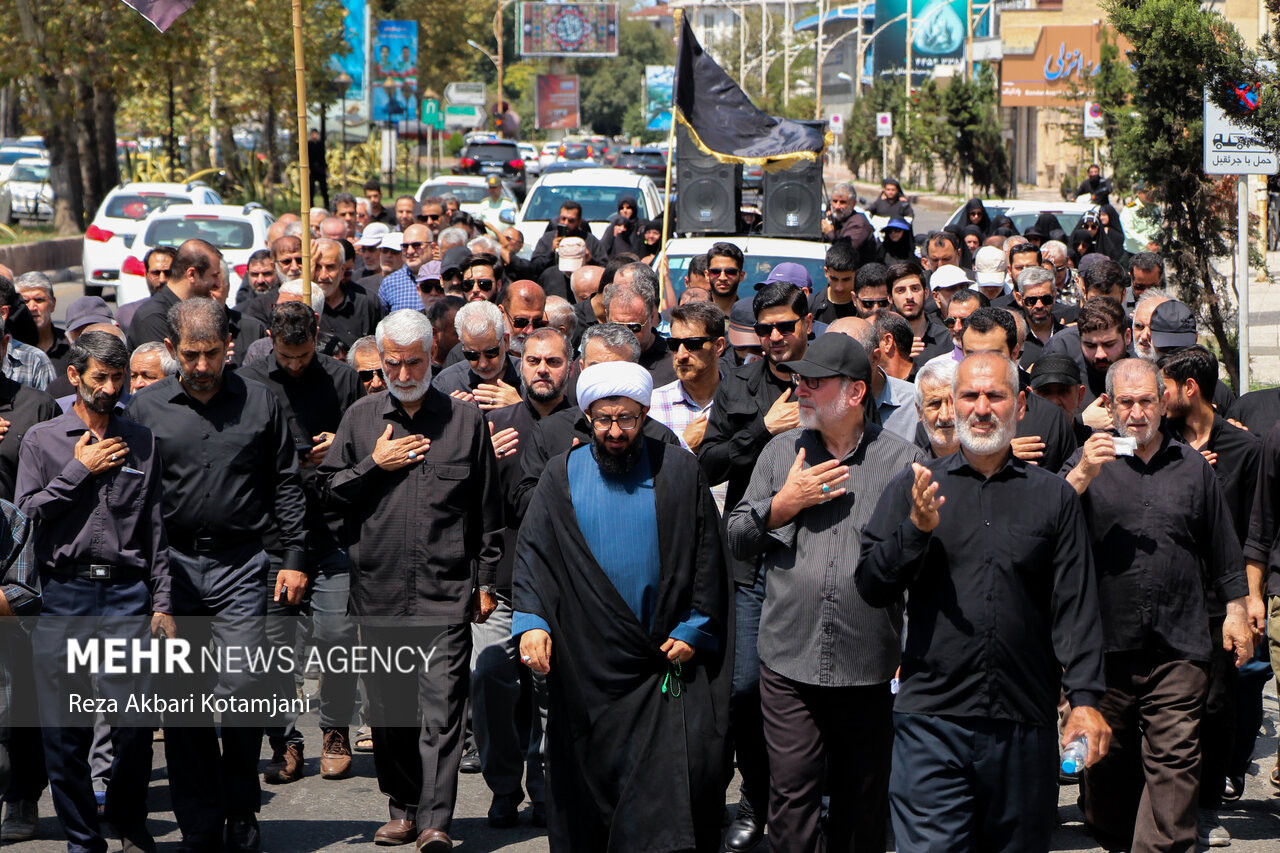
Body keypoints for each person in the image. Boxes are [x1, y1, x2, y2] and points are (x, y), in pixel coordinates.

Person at [858, 352, 1111, 853]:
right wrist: (915, 531)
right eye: (969, 396)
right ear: (952, 404)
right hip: (931, 722)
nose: (980, 408)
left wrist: (1084, 701)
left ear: (1020, 404)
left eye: (994, 395)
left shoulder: (1053, 497)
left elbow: (1076, 606)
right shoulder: (916, 486)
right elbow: (871, 585)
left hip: (1023, 721)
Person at [513, 360, 731, 851]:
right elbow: (534, 555)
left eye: (627, 419)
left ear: (644, 414)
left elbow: (707, 557)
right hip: (586, 668)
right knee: (590, 800)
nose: (615, 432)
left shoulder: (679, 471)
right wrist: (531, 622)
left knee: (667, 801)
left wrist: (695, 628)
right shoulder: (560, 474)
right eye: (604, 420)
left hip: (661, 665)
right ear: (588, 417)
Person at [124, 298, 308, 853]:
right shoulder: (146, 409)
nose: (202, 366)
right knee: (183, 701)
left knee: (244, 686)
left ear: (229, 345)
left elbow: (286, 481)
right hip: (171, 568)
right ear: (172, 349)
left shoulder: (261, 401)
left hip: (240, 564)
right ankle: (200, 823)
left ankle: (241, 808)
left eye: (211, 354)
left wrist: (295, 556)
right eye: (190, 355)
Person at [729, 333, 923, 853]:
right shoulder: (781, 451)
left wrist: (910, 651)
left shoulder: (902, 460)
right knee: (792, 801)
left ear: (855, 392)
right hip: (789, 661)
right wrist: (784, 504)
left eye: (814, 382)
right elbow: (738, 537)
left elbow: (918, 564)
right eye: (799, 379)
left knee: (862, 804)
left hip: (869, 664)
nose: (800, 390)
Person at [319, 309, 502, 851]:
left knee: (443, 714)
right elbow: (326, 497)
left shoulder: (465, 422)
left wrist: (486, 580)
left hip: (446, 593)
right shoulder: (360, 419)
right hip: (378, 592)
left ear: (432, 357)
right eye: (393, 364)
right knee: (390, 713)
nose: (402, 374)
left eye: (414, 363)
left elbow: (487, 510)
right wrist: (373, 464)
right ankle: (402, 808)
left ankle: (435, 822)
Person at [1065, 358, 1253, 853]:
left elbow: (1223, 547)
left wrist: (1236, 612)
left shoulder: (1192, 466)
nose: (1137, 412)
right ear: (1109, 406)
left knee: (1175, 764)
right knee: (1109, 770)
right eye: (1126, 402)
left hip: (1179, 643)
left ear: (1163, 401)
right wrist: (1082, 472)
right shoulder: (1088, 460)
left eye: (1146, 400)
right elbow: (1045, 525)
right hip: (1105, 646)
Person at [17, 332, 169, 853]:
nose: (109, 387)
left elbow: (155, 529)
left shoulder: (142, 440)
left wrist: (163, 601)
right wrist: (79, 471)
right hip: (63, 595)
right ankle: (83, 840)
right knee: (64, 733)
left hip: (126, 595)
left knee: (135, 724)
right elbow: (25, 515)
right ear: (74, 376)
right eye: (99, 377)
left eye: (117, 377)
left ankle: (127, 821)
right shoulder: (42, 440)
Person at [698, 281, 812, 850]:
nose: (774, 338)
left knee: (810, 688)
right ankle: (754, 798)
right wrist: (763, 428)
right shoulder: (738, 384)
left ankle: (808, 802)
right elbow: (709, 463)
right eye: (765, 329)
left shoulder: (829, 376)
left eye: (785, 326)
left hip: (812, 556)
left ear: (807, 322)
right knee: (743, 690)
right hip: (749, 558)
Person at [239, 302, 362, 786]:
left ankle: (335, 731)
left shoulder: (342, 378)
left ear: (318, 336)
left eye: (304, 355)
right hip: (272, 535)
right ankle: (285, 741)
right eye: (286, 356)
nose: (294, 365)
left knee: (337, 636)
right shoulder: (249, 381)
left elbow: (367, 440)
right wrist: (287, 455)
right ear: (271, 339)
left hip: (332, 529)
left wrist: (340, 445)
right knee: (273, 647)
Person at [1158, 346, 1261, 846]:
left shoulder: (1244, 449)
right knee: (1169, 705)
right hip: (1168, 593)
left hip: (1222, 599)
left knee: (1218, 704)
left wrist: (1250, 597)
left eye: (1164, 388)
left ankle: (1207, 807)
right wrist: (1183, 469)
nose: (1158, 399)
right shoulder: (1161, 442)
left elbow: (1257, 527)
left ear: (1189, 388)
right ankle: (1165, 805)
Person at [474, 328, 575, 830]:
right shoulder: (494, 426)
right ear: (519, 364)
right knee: (487, 677)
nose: (542, 369)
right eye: (533, 360)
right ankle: (503, 787)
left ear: (570, 366)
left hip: (563, 588)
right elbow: (466, 508)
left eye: (553, 361)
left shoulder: (588, 424)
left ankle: (546, 790)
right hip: (502, 583)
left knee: (550, 692)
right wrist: (483, 465)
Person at [127, 239, 223, 350]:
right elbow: (165, 360)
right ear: (191, 274)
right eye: (214, 276)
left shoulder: (191, 310)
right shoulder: (154, 318)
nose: (218, 284)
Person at [432, 300, 522, 409]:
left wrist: (520, 409)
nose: (483, 364)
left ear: (506, 341)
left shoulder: (528, 377)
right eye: (472, 355)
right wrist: (449, 414)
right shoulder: (447, 383)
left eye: (490, 353)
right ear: (462, 345)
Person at [603, 263, 676, 387]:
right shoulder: (596, 357)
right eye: (617, 327)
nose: (625, 334)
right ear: (607, 317)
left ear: (651, 317)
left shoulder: (674, 363)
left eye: (634, 327)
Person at [528, 202, 601, 278]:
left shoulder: (590, 241)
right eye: (563, 219)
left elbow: (603, 268)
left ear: (579, 222)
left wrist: (590, 260)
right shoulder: (547, 239)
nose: (566, 223)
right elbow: (534, 268)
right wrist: (551, 252)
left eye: (571, 220)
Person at [15, 273, 68, 376]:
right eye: (25, 301)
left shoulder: (71, 346)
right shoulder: (7, 348)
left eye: (39, 300)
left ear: (53, 304)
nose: (32, 307)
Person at [378, 223, 435, 313]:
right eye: (405, 246)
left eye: (416, 245)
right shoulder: (390, 283)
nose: (410, 251)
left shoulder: (445, 277)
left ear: (432, 248)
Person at [911, 358, 959, 457]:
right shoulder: (908, 463)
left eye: (953, 403)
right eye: (934, 404)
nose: (944, 416)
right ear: (919, 411)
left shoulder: (990, 461)